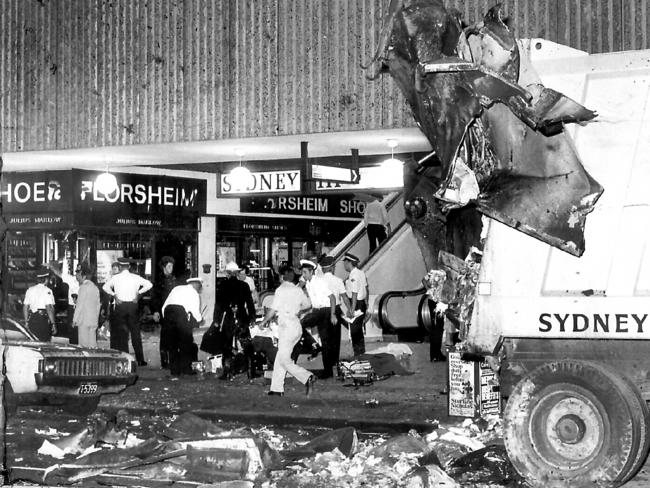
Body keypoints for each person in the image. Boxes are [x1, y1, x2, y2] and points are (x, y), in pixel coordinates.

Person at [260, 265, 316, 397]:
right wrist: (296, 310)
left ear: (282, 277)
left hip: (286, 326)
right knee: (281, 357)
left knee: (284, 359)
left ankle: (307, 377)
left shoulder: (281, 290)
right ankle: (277, 389)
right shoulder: (297, 290)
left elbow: (273, 310)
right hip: (296, 325)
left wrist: (263, 322)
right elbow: (308, 304)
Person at [209, 261, 256, 379]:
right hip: (241, 318)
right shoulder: (244, 285)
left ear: (228, 273)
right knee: (247, 345)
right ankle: (251, 371)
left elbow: (218, 305)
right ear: (237, 273)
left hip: (228, 318)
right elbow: (250, 304)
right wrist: (252, 317)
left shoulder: (222, 285)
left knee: (226, 346)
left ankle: (227, 372)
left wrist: (216, 320)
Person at [102, 256, 153, 366]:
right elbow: (149, 285)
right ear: (129, 266)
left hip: (120, 306)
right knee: (135, 333)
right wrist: (138, 294)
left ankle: (124, 359)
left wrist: (114, 295)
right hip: (132, 306)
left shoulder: (115, 278)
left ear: (120, 267)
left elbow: (105, 287)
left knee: (121, 333)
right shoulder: (136, 277)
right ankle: (140, 359)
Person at [299, 259, 337, 379]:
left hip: (325, 312)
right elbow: (311, 302)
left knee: (325, 341)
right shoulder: (309, 283)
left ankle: (328, 371)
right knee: (299, 325)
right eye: (302, 273)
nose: (303, 275)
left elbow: (332, 298)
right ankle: (315, 345)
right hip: (317, 311)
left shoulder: (319, 282)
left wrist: (333, 314)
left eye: (305, 272)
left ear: (311, 272)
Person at [162, 277, 204, 376]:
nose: (200, 289)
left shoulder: (176, 288)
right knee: (186, 343)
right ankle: (186, 369)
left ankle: (175, 372)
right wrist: (200, 320)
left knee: (172, 345)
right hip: (180, 314)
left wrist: (167, 319)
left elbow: (164, 306)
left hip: (168, 313)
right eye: (200, 287)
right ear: (196, 284)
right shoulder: (194, 293)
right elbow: (195, 310)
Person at [319, 255, 346, 369]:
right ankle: (335, 366)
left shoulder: (318, 281)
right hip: (336, 311)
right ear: (331, 268)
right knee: (335, 339)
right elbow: (344, 297)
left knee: (325, 340)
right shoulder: (338, 280)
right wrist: (350, 310)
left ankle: (327, 368)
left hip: (322, 311)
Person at [151, 256, 178, 369]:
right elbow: (155, 297)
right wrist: (156, 311)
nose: (171, 268)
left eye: (172, 266)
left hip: (174, 311)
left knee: (174, 336)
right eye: (169, 266)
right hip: (164, 311)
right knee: (165, 336)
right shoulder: (159, 281)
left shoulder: (174, 279)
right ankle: (164, 361)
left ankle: (172, 360)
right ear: (164, 267)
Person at [342, 252, 368, 356]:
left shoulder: (354, 275)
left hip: (356, 304)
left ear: (349, 262)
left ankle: (358, 354)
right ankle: (361, 353)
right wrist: (366, 302)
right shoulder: (361, 272)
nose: (344, 265)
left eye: (345, 262)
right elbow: (366, 288)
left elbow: (354, 293)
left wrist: (352, 309)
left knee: (355, 331)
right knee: (358, 331)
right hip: (360, 303)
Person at [47, 261, 80, 343]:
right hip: (73, 308)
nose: (77, 273)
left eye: (79, 271)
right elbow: (60, 274)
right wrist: (52, 267)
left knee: (77, 331)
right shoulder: (72, 279)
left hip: (78, 308)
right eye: (77, 271)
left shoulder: (84, 283)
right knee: (73, 331)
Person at [23, 267, 57, 341]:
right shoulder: (48, 291)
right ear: (46, 279)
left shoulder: (30, 290)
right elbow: (49, 308)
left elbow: (25, 307)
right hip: (43, 320)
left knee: (33, 342)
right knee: (44, 342)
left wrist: (26, 322)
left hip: (32, 318)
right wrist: (53, 324)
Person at [72, 262, 101, 348]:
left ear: (83, 276)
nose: (77, 278)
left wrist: (74, 320)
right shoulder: (95, 288)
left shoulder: (83, 287)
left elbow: (80, 305)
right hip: (93, 320)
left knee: (84, 346)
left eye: (78, 276)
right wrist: (96, 318)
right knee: (92, 346)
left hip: (83, 321)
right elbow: (98, 305)